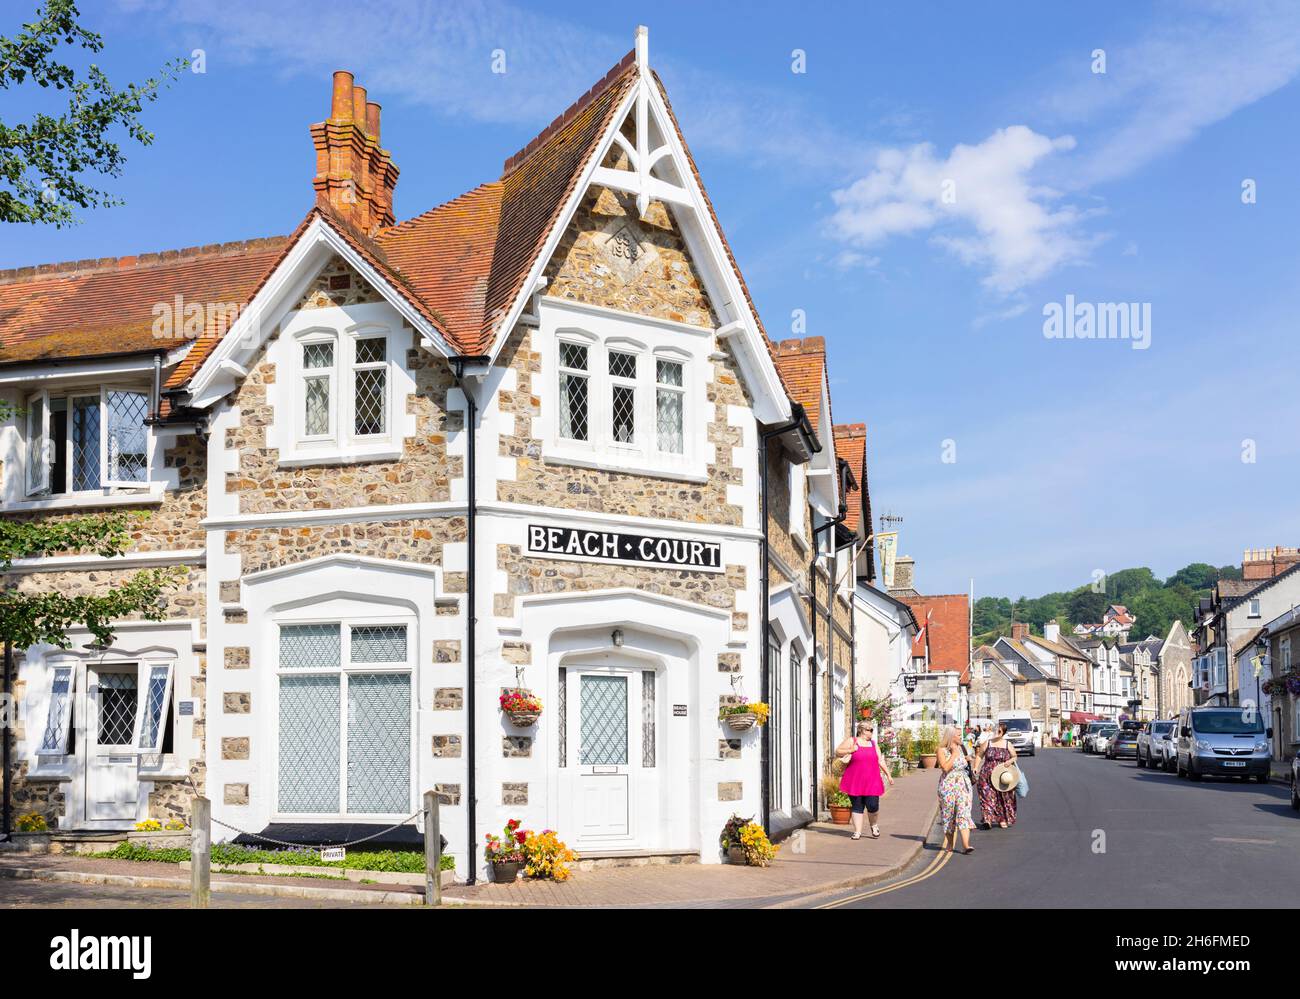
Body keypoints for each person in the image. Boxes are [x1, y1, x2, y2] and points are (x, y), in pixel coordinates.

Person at [834, 722, 895, 840]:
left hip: (872, 781)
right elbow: (838, 751)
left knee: (872, 805)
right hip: (855, 780)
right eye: (870, 730)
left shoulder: (873, 744)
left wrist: (889, 775)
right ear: (862, 730)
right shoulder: (852, 741)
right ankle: (857, 832)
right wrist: (851, 750)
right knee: (857, 806)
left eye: (872, 730)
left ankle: (874, 825)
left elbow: (880, 761)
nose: (872, 732)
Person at [936, 725, 975, 854]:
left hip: (963, 784)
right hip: (948, 785)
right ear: (951, 737)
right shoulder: (942, 750)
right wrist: (954, 754)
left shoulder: (962, 748)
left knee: (964, 813)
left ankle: (966, 845)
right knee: (948, 815)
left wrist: (968, 759)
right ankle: (950, 844)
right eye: (958, 735)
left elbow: (967, 765)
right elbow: (945, 768)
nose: (961, 737)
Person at [975, 721, 1019, 828]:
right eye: (995, 729)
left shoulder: (1007, 744)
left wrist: (1010, 761)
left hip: (1002, 774)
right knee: (987, 796)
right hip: (986, 774)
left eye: (999, 730)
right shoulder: (987, 743)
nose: (996, 732)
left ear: (1003, 732)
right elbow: (979, 755)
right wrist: (975, 767)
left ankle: (1002, 818)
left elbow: (1014, 756)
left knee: (1002, 797)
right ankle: (987, 819)